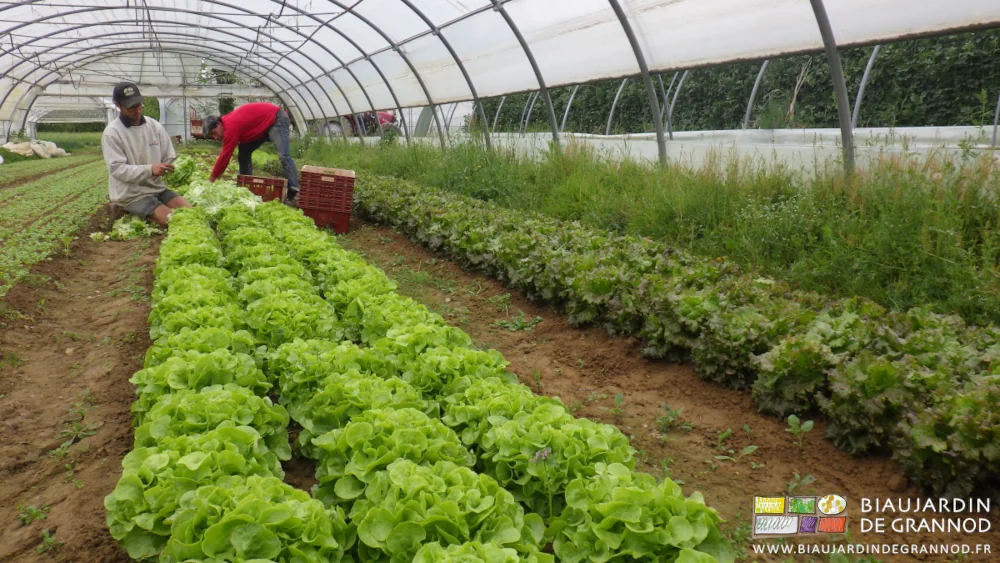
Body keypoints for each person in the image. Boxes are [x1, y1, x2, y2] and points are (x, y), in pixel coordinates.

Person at [101, 81, 192, 227]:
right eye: (131, 107)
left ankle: (150, 209)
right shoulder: (113, 133)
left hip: (156, 188)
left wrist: (170, 166)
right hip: (131, 193)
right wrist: (150, 169)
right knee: (171, 220)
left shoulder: (154, 126)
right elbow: (118, 170)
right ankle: (122, 208)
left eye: (139, 105)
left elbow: (169, 155)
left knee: (190, 211)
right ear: (118, 105)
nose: (137, 111)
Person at [203, 102, 299, 206]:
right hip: (262, 125)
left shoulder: (230, 126)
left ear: (218, 124)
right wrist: (217, 176)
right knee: (244, 151)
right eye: (212, 136)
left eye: (214, 133)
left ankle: (293, 191)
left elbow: (225, 157)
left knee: (283, 155)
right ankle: (246, 187)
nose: (216, 137)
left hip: (276, 118)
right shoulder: (227, 123)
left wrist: (212, 178)